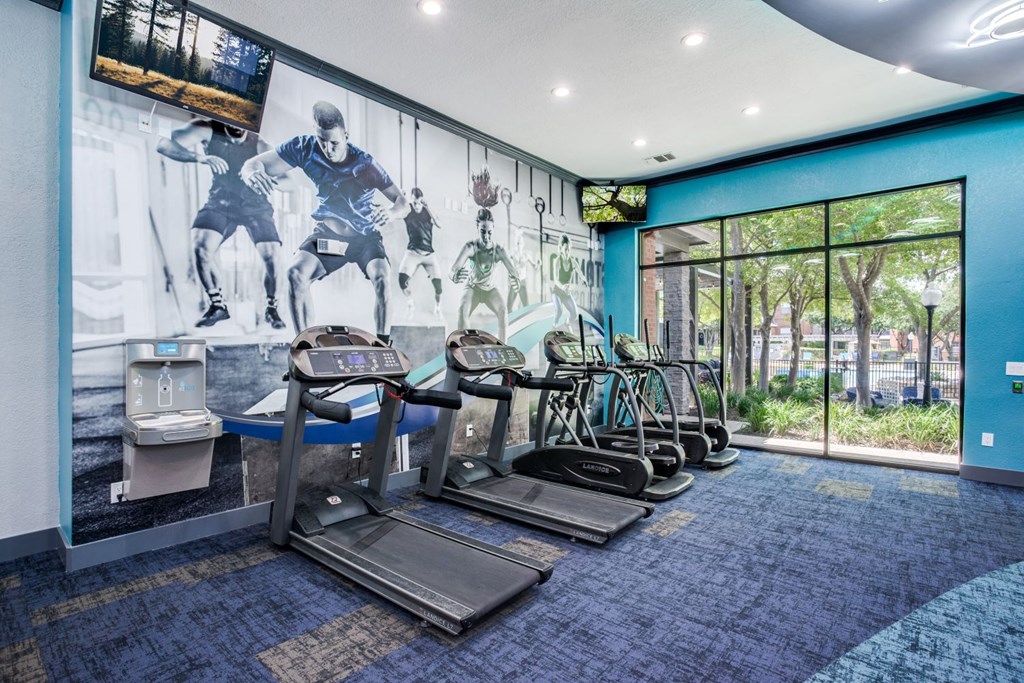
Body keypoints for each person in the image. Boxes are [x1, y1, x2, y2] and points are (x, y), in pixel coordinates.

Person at [240, 101, 409, 339]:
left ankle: (383, 344)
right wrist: (252, 173)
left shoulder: (366, 164)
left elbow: (403, 203)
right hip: (331, 240)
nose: (328, 149)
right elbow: (253, 164)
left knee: (382, 278)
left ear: (346, 136)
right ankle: (304, 345)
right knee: (296, 274)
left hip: (364, 239)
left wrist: (391, 213)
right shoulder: (304, 148)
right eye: (322, 141)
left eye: (335, 143)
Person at [156, 119, 286, 329]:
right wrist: (199, 157)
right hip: (221, 201)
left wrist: (264, 177)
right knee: (200, 246)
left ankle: (272, 308)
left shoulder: (260, 145)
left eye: (242, 124)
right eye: (230, 122)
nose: (235, 127)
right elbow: (163, 145)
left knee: (272, 255)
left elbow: (291, 183)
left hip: (254, 204)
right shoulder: (207, 129)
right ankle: (217, 306)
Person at [450, 208, 521, 343]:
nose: (486, 236)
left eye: (489, 232)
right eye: (483, 232)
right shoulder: (470, 247)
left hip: (490, 289)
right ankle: (465, 348)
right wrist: (454, 276)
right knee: (462, 309)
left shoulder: (498, 250)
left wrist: (516, 279)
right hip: (473, 287)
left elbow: (514, 271)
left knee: (503, 310)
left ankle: (503, 348)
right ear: (477, 228)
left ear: (493, 228)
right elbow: (452, 270)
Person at [397, 187, 444, 321]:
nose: (417, 206)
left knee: (438, 287)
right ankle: (411, 304)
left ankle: (438, 308)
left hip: (429, 254)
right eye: (415, 203)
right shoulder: (408, 210)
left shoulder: (427, 211)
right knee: (402, 280)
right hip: (413, 252)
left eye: (419, 203)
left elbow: (440, 224)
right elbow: (392, 212)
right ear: (412, 201)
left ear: (421, 201)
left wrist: (428, 208)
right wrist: (398, 200)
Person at [552, 234, 588, 328]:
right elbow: (556, 280)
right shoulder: (557, 261)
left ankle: (567, 323)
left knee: (575, 314)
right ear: (561, 249)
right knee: (559, 311)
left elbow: (581, 274)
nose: (567, 252)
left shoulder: (573, 262)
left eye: (569, 249)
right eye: (565, 249)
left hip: (566, 293)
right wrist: (562, 287)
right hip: (557, 292)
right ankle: (554, 325)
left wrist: (584, 279)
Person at [507, 226, 539, 311]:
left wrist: (538, 265)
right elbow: (504, 258)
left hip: (522, 282)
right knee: (509, 306)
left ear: (523, 244)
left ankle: (525, 321)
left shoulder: (526, 255)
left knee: (526, 305)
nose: (518, 245)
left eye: (520, 243)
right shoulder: (512, 253)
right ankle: (510, 322)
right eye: (517, 243)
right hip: (514, 282)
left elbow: (535, 267)